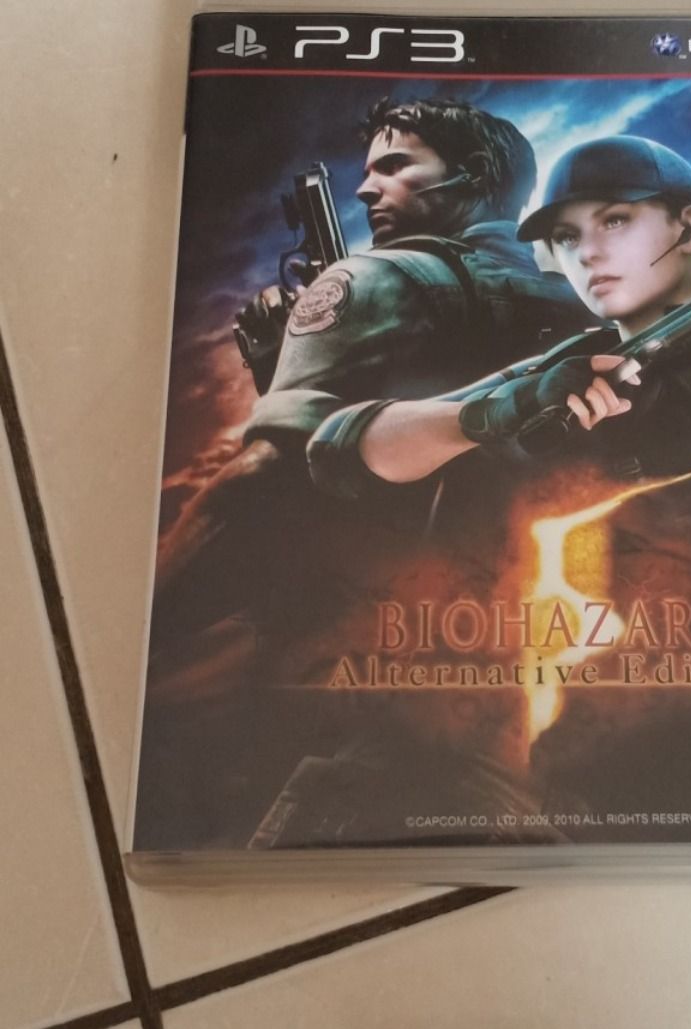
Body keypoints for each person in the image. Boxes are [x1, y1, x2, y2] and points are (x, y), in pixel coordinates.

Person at [309, 135, 691, 646]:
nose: (588, 253)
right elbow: (336, 450)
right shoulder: (565, 364)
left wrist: (640, 642)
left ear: (689, 228)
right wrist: (496, 412)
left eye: (615, 220)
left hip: (567, 690)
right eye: (567, 237)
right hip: (453, 653)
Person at [151, 99, 597, 648]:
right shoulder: (591, 302)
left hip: (384, 630)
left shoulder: (372, 278)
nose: (366, 190)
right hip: (548, 618)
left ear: (475, 173)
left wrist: (147, 630)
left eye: (394, 166)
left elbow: (271, 479)